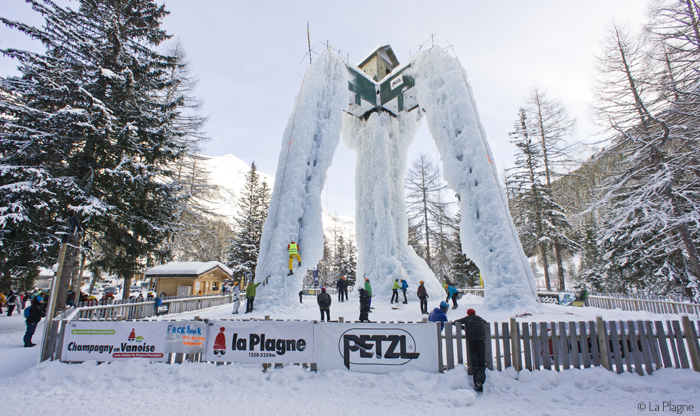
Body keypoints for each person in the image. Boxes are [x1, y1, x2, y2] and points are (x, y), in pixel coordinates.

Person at [455, 308, 488, 392]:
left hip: (472, 342)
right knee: (482, 363)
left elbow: (456, 322)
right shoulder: (480, 319)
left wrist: (464, 327)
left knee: (474, 363)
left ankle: (477, 383)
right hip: (481, 342)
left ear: (468, 314)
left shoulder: (467, 319)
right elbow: (485, 323)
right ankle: (479, 381)